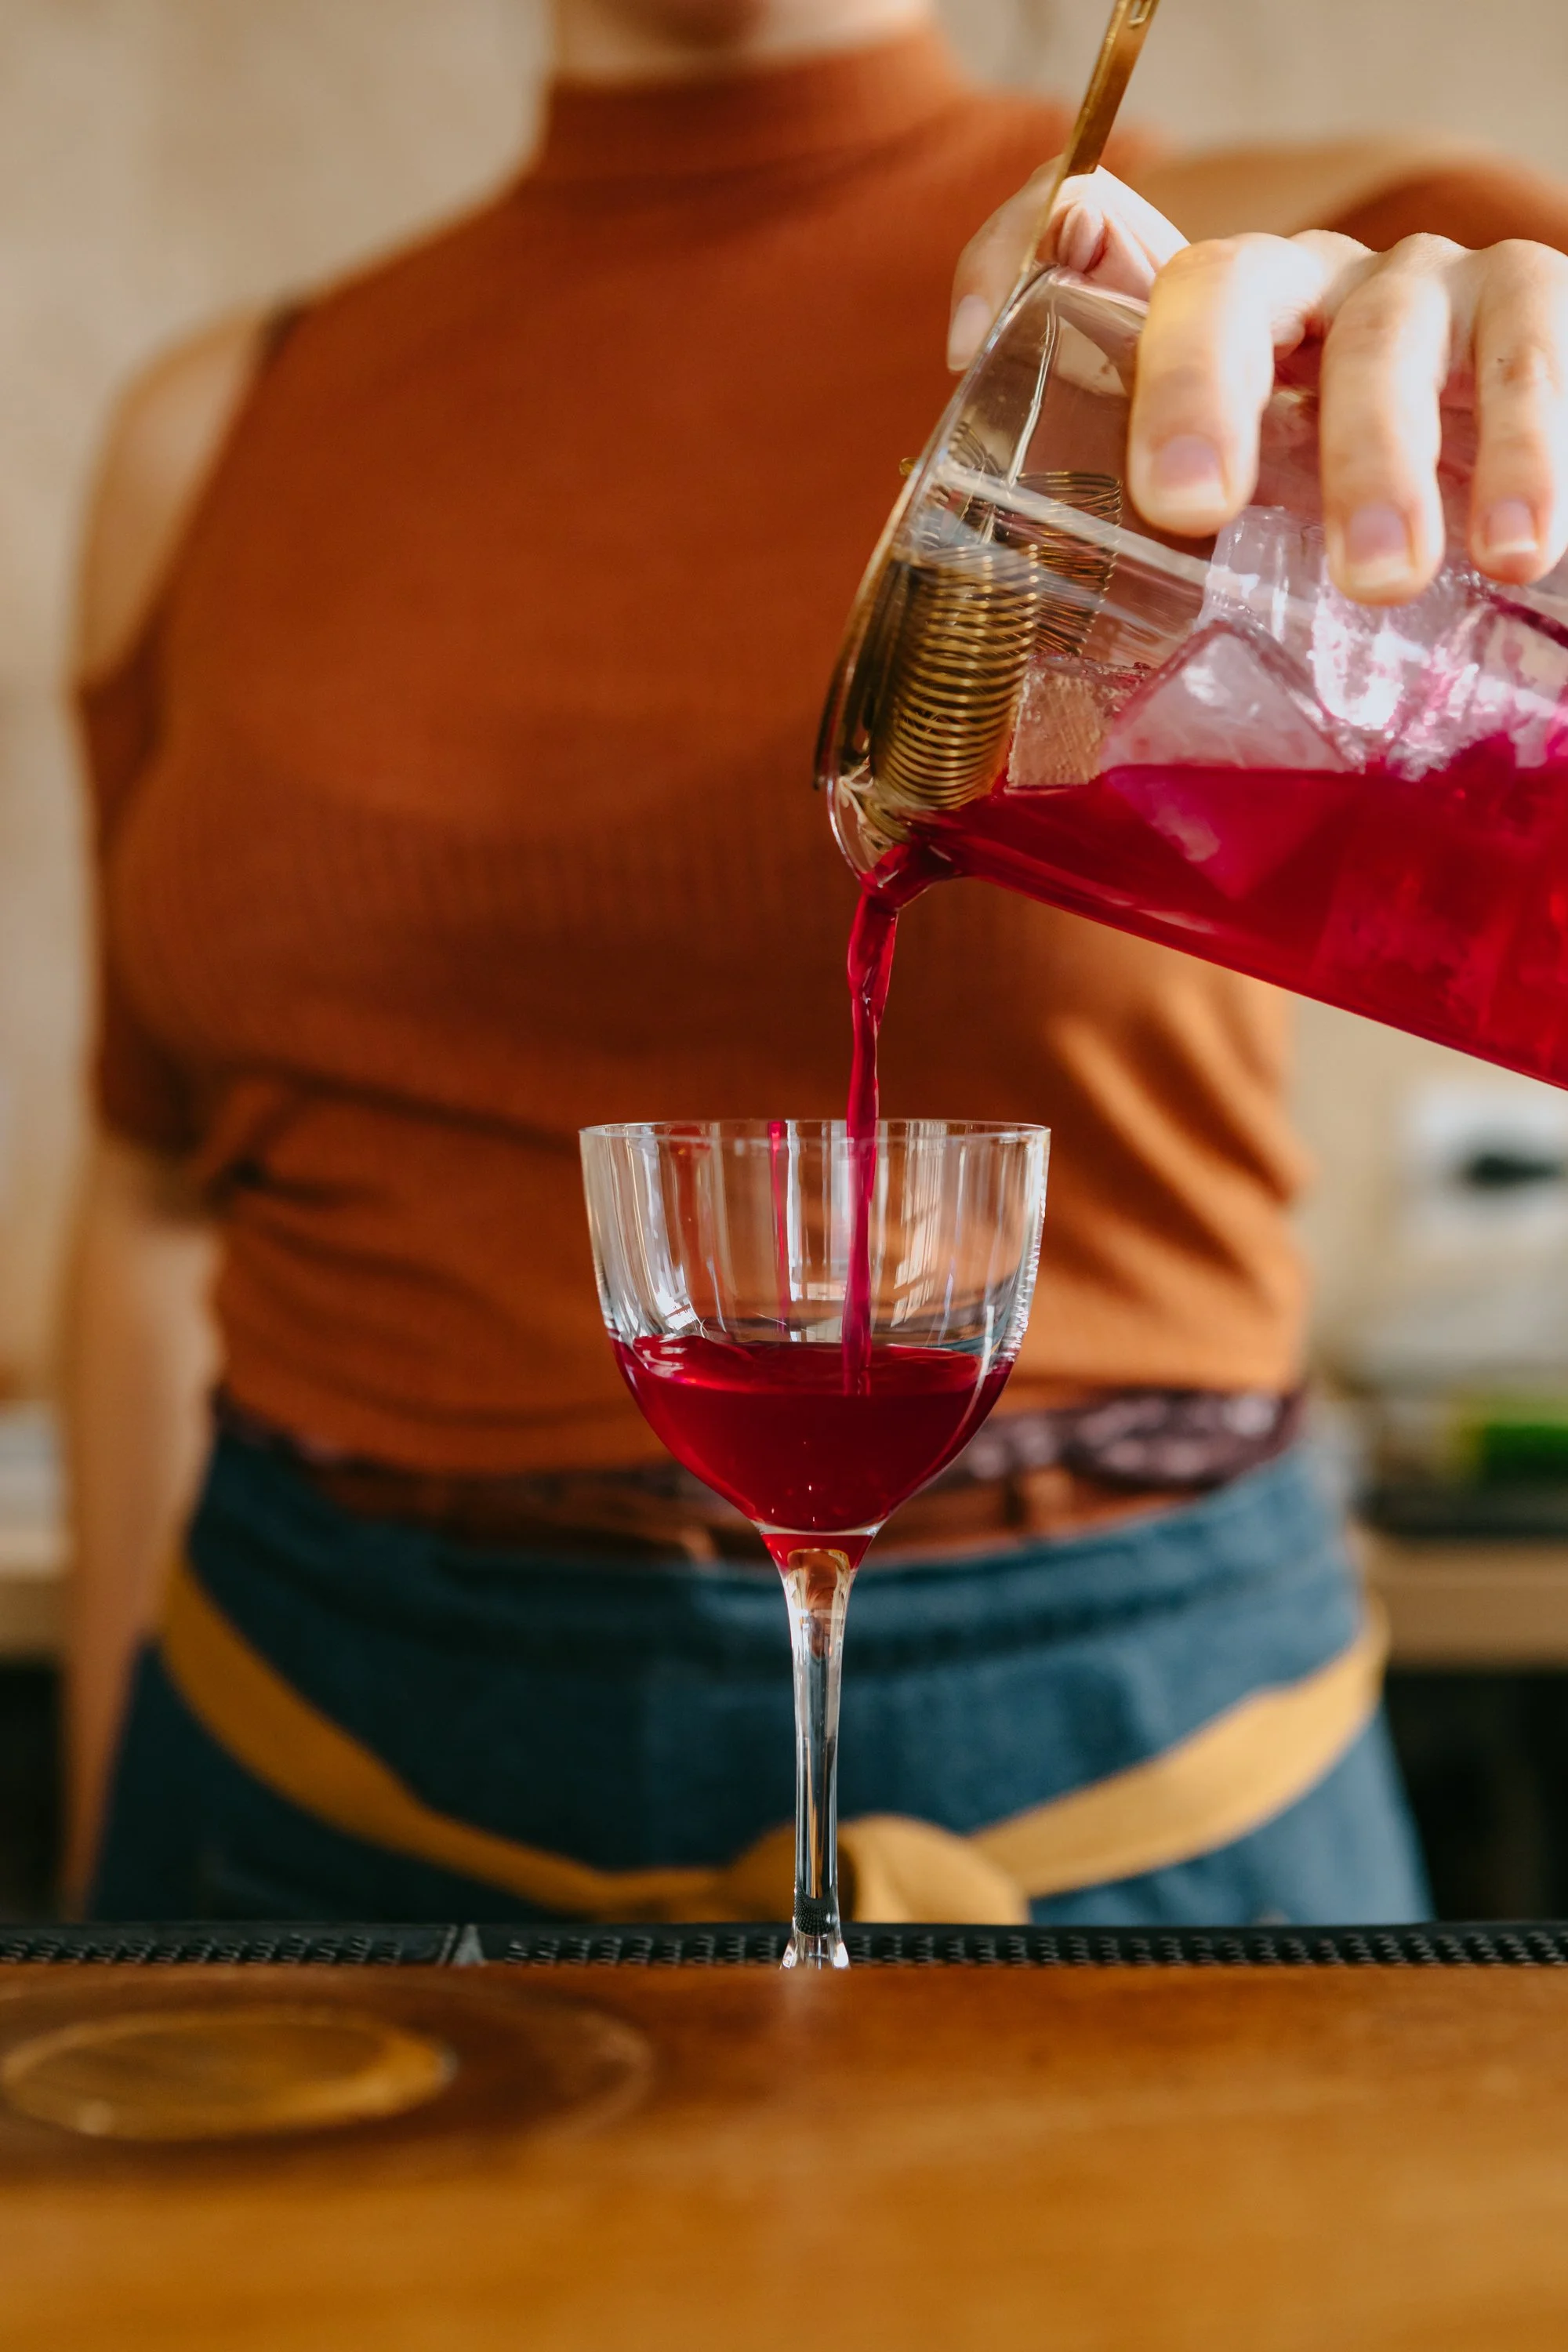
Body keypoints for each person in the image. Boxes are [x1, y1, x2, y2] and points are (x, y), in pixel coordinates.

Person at [64, 0, 1568, 1927]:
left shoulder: (1259, 286)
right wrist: (102, 1913)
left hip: (1130, 1813)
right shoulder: (219, 428)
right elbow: (150, 1206)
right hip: (300, 1804)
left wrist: (1479, 415)